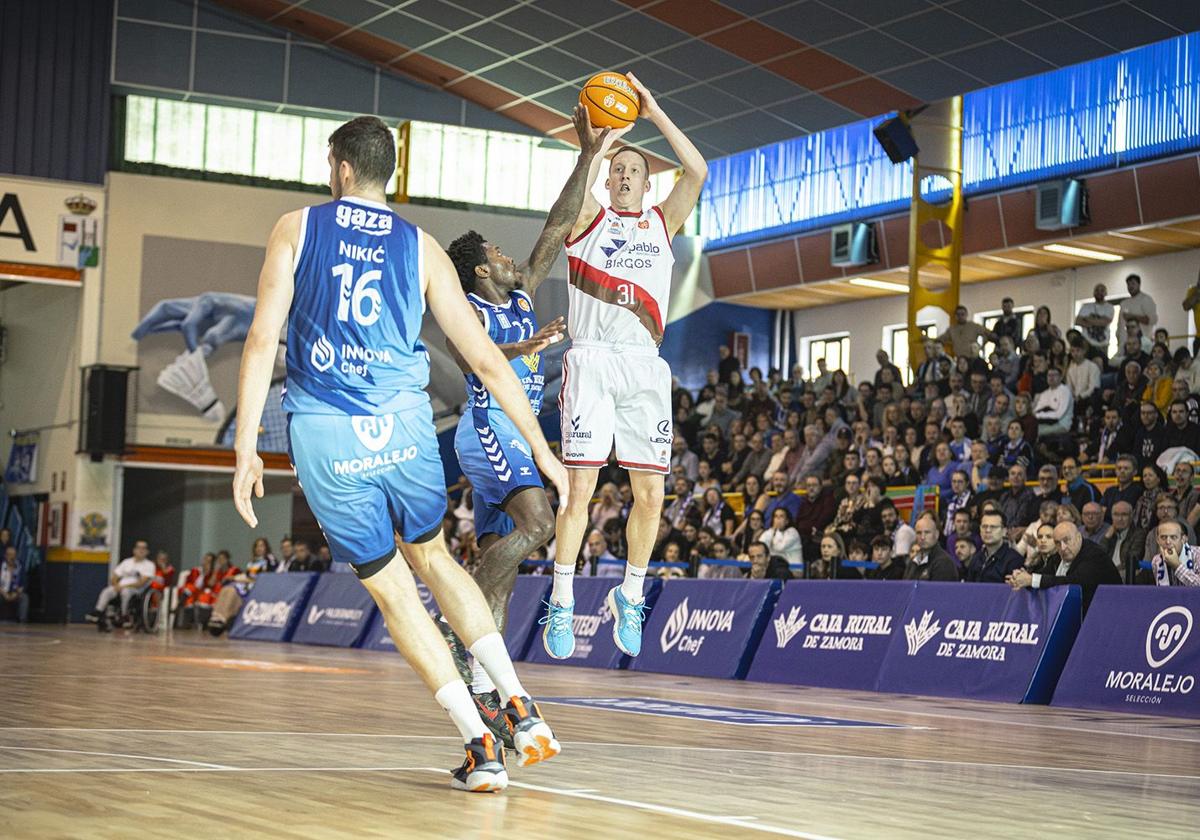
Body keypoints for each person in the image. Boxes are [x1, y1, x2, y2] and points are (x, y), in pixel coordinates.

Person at [232, 115, 563, 792]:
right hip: (406, 427)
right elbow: (485, 361)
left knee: (390, 588)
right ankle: (520, 706)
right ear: (390, 171)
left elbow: (262, 337)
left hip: (327, 432)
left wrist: (245, 448)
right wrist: (543, 449)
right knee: (436, 558)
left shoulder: (296, 228)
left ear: (340, 166)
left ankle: (480, 744)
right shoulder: (423, 249)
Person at [440, 110, 606, 711]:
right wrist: (521, 349)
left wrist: (588, 156)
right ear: (481, 269)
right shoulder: (466, 308)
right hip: (488, 429)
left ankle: (485, 681)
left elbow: (557, 228)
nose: (512, 257)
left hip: (515, 433)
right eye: (498, 253)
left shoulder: (520, 293)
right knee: (540, 525)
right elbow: (471, 359)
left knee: (501, 565)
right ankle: (455, 628)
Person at [546, 75, 707, 660]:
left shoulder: (663, 224)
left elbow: (698, 172)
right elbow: (581, 182)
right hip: (590, 361)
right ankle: (562, 599)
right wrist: (599, 145)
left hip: (644, 368)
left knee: (651, 493)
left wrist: (654, 109)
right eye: (616, 171)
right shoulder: (586, 218)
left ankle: (630, 594)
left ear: (646, 182)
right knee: (579, 489)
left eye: (632, 172)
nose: (621, 177)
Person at [1007, 522, 1122, 611]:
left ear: (1078, 537)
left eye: (1066, 540)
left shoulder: (1094, 554)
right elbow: (1043, 574)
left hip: (1106, 614)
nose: (1062, 547)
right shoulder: (1059, 556)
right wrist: (1021, 578)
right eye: (1057, 543)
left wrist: (1032, 580)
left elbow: (1074, 582)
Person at [85, 539, 155, 630]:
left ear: (147, 551)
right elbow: (114, 576)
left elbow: (141, 582)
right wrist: (116, 585)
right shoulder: (126, 562)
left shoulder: (149, 565)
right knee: (107, 591)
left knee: (125, 592)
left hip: (136, 590)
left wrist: (122, 587)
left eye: (143, 548)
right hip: (120, 587)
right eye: (138, 547)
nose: (141, 550)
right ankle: (98, 612)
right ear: (134, 550)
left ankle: (124, 615)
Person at [965, 510, 1023, 583]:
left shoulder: (1014, 560)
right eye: (984, 526)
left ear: (1004, 531)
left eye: (993, 527)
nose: (988, 530)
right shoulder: (976, 558)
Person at [904, 513, 958, 581]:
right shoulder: (913, 561)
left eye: (927, 532)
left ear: (937, 534)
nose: (922, 537)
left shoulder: (944, 562)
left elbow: (938, 591)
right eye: (919, 533)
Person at [1149, 518, 1199, 586]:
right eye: (1163, 537)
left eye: (1173, 537)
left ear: (1183, 539)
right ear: (1158, 540)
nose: (1168, 542)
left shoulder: (1197, 554)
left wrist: (1177, 566)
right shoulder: (1156, 561)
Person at [1117, 273, 1156, 348]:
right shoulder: (1124, 303)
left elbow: (1151, 320)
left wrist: (1132, 316)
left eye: (1133, 283)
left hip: (1143, 341)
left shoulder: (1146, 299)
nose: (1130, 286)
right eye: (1128, 284)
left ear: (1139, 284)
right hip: (1125, 342)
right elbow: (1120, 324)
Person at [1075, 283, 1114, 357]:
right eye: (1097, 290)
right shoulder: (1086, 307)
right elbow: (1077, 321)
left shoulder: (1109, 307)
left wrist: (1087, 319)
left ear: (1106, 293)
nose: (1099, 292)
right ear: (1093, 293)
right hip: (1086, 344)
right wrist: (1097, 321)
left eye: (1102, 290)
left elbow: (1105, 322)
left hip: (1102, 344)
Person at [0, 546, 27, 623]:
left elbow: (23, 582)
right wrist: (4, 593)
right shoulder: (1, 565)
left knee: (24, 598)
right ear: (5, 555)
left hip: (15, 592)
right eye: (9, 555)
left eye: (13, 555)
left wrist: (17, 592)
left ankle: (22, 621)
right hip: (2, 591)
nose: (11, 557)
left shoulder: (20, 566)